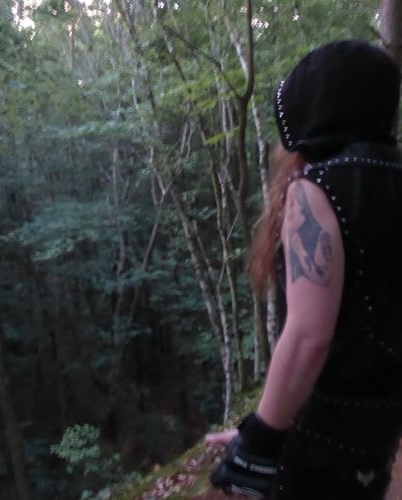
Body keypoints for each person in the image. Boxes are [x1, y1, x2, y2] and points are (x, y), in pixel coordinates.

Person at [207, 40, 402, 499]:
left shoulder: (315, 188)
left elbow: (308, 337)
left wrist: (258, 441)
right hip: (381, 420)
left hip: (322, 429)